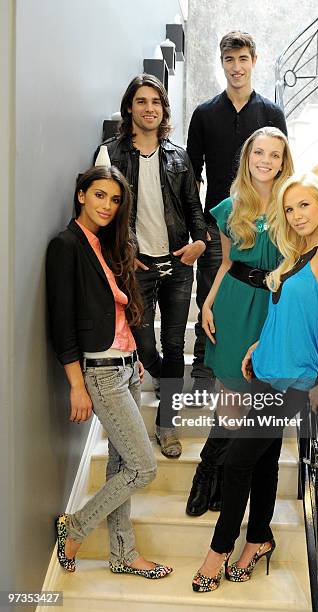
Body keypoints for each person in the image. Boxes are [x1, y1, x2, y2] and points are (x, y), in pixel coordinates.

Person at [191, 172, 318, 592]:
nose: (296, 215)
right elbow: (289, 315)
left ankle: (219, 549)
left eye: (304, 205)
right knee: (262, 463)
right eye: (289, 208)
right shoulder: (298, 252)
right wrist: (256, 347)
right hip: (264, 368)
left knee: (237, 461)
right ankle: (259, 539)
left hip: (292, 381)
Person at [47, 165, 172, 579]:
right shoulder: (66, 245)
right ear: (81, 195)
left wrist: (134, 354)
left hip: (127, 364)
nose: (107, 205)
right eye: (99, 195)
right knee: (144, 466)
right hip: (99, 371)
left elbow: (119, 311)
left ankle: (123, 553)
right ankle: (75, 528)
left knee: (122, 465)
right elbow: (61, 322)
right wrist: (76, 386)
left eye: (115, 199)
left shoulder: (107, 246)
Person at [186, 30, 287, 508]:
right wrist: (206, 297)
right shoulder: (205, 115)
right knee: (230, 391)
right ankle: (210, 470)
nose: (237, 66)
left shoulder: (291, 203)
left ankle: (229, 473)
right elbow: (225, 260)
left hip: (269, 298)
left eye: (244, 58)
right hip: (228, 248)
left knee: (260, 397)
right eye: (229, 59)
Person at [95, 74, 207, 458]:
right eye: (141, 102)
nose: (149, 109)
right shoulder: (111, 154)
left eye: (156, 102)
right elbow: (102, 214)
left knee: (175, 345)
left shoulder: (179, 156)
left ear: (164, 110)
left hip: (177, 265)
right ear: (130, 108)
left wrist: (199, 243)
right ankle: (167, 380)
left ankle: (167, 424)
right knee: (145, 350)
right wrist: (124, 252)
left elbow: (194, 207)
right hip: (135, 268)